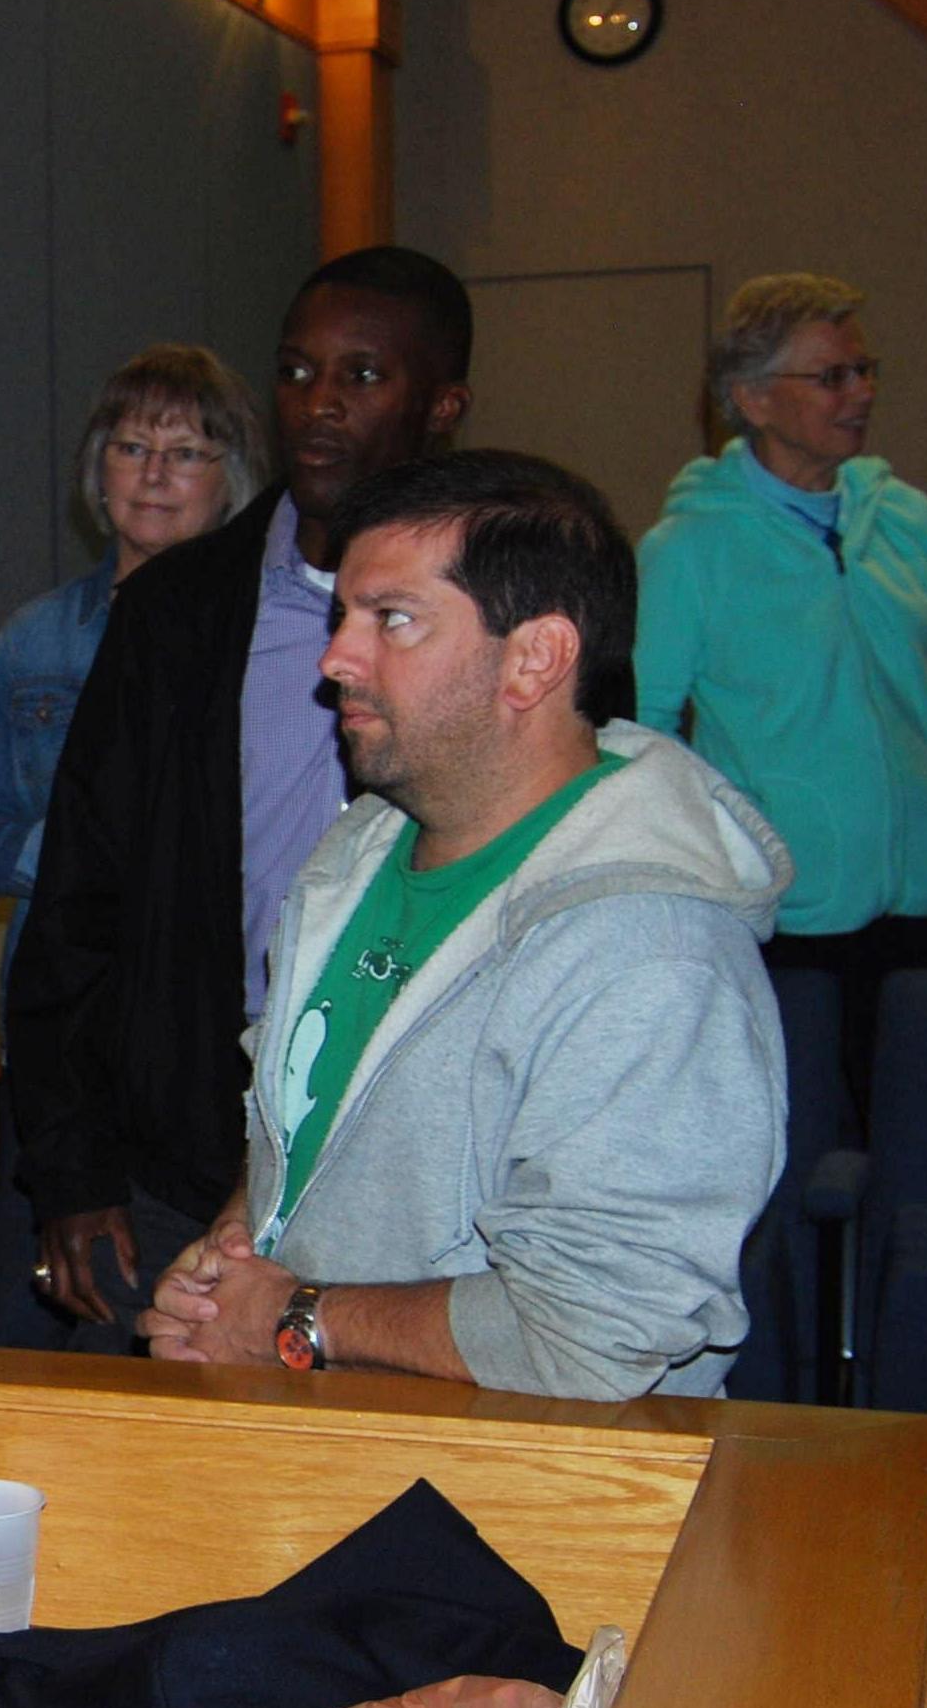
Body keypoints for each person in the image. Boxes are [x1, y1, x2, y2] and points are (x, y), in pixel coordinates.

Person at [136, 452, 789, 1396]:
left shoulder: (651, 953)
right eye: (342, 616)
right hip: (337, 1437)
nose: (335, 659)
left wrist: (294, 1318)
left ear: (535, 658)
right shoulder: (361, 854)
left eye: (392, 619)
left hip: (514, 1475)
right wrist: (231, 1263)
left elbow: (599, 1332)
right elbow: (316, 1120)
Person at [5, 248, 476, 1351]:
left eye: (363, 377)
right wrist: (72, 1169)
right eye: (298, 372)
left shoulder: (506, 618)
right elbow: (78, 904)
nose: (320, 405)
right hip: (184, 1159)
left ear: (442, 405)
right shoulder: (176, 613)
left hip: (425, 1172)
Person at [0, 343, 266, 1349]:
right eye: (131, 447)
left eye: (186, 452)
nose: (154, 473)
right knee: (17, 1333)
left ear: (232, 477)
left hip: (206, 1051)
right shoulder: (37, 637)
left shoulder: (271, 636)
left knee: (175, 1333)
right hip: (59, 1037)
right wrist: (79, 853)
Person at [633, 272, 927, 1107]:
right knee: (808, 1140)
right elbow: (646, 730)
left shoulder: (904, 516)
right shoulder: (689, 549)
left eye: (864, 370)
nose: (860, 392)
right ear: (753, 398)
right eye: (832, 376)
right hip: (791, 916)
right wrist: (726, 850)